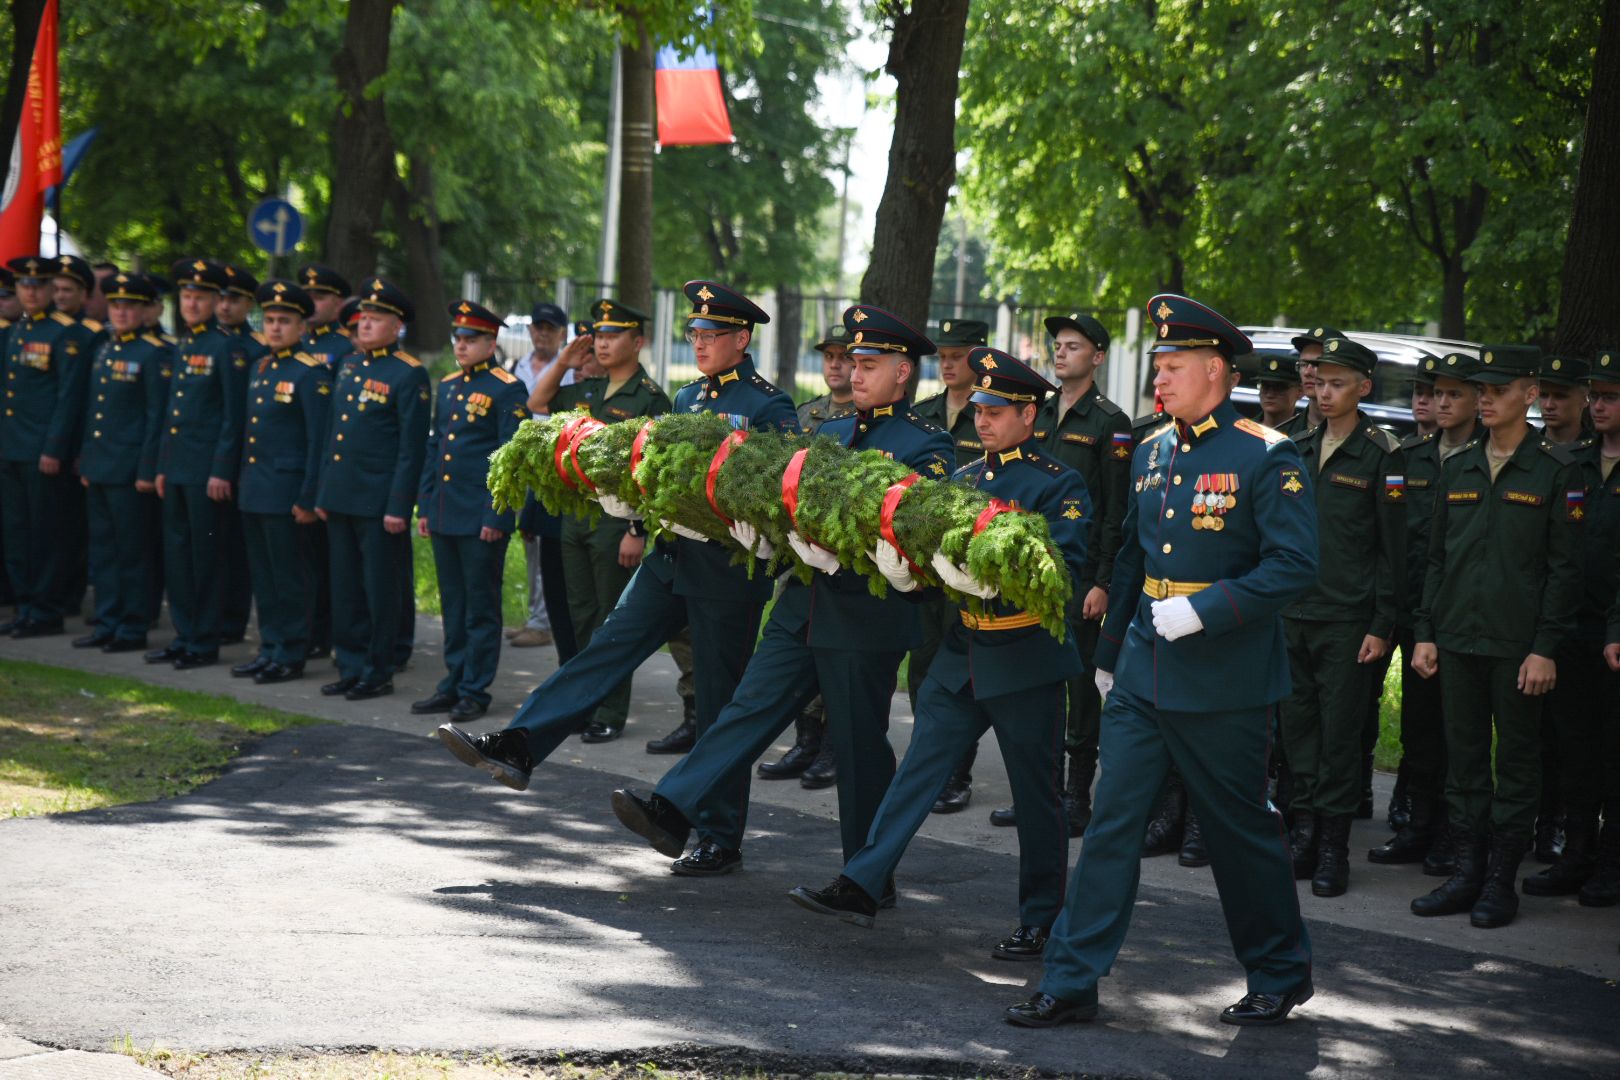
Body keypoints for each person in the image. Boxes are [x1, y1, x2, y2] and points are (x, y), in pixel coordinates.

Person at [1008, 294, 1317, 1029]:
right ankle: (1073, 976)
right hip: (1145, 668)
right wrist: (1111, 653)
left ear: (1215, 371)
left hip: (1224, 675)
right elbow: (1131, 560)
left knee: (1240, 827)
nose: (1160, 380)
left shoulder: (1266, 454)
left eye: (1173, 367)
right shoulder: (1149, 450)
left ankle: (1278, 972)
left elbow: (1295, 566)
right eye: (1158, 367)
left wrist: (1206, 609)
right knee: (1112, 821)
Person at [611, 304, 952, 878]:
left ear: (902, 372)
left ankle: (865, 877)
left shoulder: (928, 446)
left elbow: (913, 533)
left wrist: (844, 555)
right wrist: (773, 540)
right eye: (853, 362)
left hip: (866, 617)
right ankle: (672, 805)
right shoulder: (830, 432)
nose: (856, 373)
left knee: (859, 748)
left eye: (870, 363)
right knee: (745, 710)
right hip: (805, 603)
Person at [434, 281, 798, 794]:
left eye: (711, 333)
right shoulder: (687, 396)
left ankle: (715, 838)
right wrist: (635, 502)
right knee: (602, 650)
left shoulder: (769, 406)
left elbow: (776, 492)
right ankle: (520, 743)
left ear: (742, 339)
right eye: (694, 331)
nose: (698, 342)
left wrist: (761, 535)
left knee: (717, 706)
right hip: (670, 557)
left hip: (727, 571)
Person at [789, 345, 1090, 959]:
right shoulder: (961, 479)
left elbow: (1065, 571)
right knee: (918, 772)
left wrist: (998, 583)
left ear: (1029, 415)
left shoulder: (1059, 484)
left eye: (998, 410)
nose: (982, 420)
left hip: (1024, 655)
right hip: (962, 652)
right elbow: (931, 561)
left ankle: (1041, 917)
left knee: (1036, 797)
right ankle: (864, 884)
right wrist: (905, 573)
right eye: (979, 408)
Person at [1409, 344, 1583, 929]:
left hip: (1517, 647)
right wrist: (1427, 631)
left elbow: (1564, 571)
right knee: (1463, 763)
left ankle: (1500, 884)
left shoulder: (1557, 470)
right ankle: (1466, 874)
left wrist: (1544, 647)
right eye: (1479, 390)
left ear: (1528, 395)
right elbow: (1436, 559)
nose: (1484, 399)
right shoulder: (1457, 467)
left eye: (1496, 390)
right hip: (1456, 638)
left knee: (1516, 764)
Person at [989, 313, 1129, 841]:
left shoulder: (1109, 422)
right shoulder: (1035, 410)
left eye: (1073, 346)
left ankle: (1076, 795)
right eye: (1057, 345)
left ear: (1097, 357)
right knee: (1038, 681)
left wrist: (1103, 580)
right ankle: (1038, 793)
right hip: (1030, 569)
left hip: (1080, 571)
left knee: (1079, 684)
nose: (1061, 353)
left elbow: (1116, 508)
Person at [1279, 335, 1404, 898]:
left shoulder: (1382, 453)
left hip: (1348, 619)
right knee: (1298, 729)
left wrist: (1382, 624)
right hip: (1292, 612)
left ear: (1363, 388)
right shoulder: (1293, 444)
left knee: (1339, 736)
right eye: (1319, 381)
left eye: (1336, 383)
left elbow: (1392, 550)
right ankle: (1303, 833)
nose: (1323, 392)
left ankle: (1333, 847)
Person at [516, 298, 672, 741]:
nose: (602, 344)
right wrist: (565, 359)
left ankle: (608, 713)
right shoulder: (585, 391)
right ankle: (579, 705)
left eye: (612, 336)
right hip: (575, 517)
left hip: (615, 524)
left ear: (637, 342)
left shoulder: (650, 398)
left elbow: (651, 472)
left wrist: (637, 529)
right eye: (598, 337)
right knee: (580, 614)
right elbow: (538, 400)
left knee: (610, 621)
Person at [1371, 352, 1480, 870]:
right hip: (1412, 609)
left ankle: (1452, 835)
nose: (1439, 402)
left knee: (1457, 730)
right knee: (1418, 727)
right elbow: (1392, 539)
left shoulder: (1483, 456)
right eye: (1435, 393)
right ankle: (1419, 826)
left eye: (1453, 393)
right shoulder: (1410, 454)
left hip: (1460, 613)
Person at [1528, 350, 1620, 902]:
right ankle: (1577, 855)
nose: (1600, 406)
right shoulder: (1576, 463)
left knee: (1615, 753)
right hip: (1571, 629)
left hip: (1616, 637)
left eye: (1611, 397)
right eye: (1598, 397)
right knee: (1575, 750)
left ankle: (1612, 864)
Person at [412, 299, 530, 721]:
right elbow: (435, 448)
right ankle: (453, 680)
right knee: (454, 605)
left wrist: (497, 516)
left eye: (470, 338)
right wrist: (425, 505)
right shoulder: (448, 384)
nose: (460, 345)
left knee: (480, 607)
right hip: (446, 512)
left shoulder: (506, 388)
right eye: (456, 338)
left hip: (480, 516)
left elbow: (509, 459)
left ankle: (475, 690)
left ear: (491, 340)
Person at [314, 277, 430, 700]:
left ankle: (378, 669)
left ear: (396, 325)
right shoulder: (348, 365)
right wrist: (323, 492)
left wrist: (399, 506)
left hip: (379, 502)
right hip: (341, 496)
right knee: (345, 587)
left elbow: (410, 448)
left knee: (378, 589)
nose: (365, 323)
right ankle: (350, 664)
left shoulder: (408, 373)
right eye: (364, 316)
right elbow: (332, 436)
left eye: (376, 318)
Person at [145, 259, 252, 669]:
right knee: (177, 554)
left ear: (214, 301)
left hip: (207, 472)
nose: (191, 303)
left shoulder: (227, 347)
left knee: (204, 557)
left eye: (200, 296)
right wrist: (161, 465)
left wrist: (221, 469)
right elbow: (174, 413)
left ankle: (204, 640)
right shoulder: (185, 344)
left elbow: (232, 415)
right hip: (177, 469)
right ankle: (184, 634)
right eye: (186, 296)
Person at [763, 322, 858, 784]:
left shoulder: (866, 418)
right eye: (829, 356)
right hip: (800, 553)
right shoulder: (806, 414)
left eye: (845, 357)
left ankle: (833, 747)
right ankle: (805, 741)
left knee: (835, 652)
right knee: (797, 643)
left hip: (843, 558)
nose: (836, 365)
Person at [228, 280, 333, 685]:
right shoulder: (261, 367)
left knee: (290, 578)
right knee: (265, 577)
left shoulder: (311, 374)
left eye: (283, 321)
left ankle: (291, 652)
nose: (273, 328)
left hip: (287, 494)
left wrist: (308, 497)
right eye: (269, 320)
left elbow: (316, 442)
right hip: (257, 489)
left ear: (301, 327)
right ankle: (270, 647)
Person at [910, 317, 991, 813]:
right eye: (941, 355)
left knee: (963, 668)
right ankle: (928, 764)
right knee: (922, 663)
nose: (946, 363)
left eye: (956, 355)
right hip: (923, 564)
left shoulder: (992, 415)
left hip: (967, 563)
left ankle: (957, 769)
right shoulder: (924, 415)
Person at [73, 272, 170, 651]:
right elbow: (95, 412)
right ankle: (107, 620)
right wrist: (87, 460)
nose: (122, 312)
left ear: (144, 309)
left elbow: (154, 418)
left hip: (130, 471)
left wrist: (146, 469)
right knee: (104, 550)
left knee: (132, 552)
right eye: (116, 305)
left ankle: (132, 626)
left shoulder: (152, 353)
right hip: (100, 467)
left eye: (130, 306)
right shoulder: (105, 349)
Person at [0, 256, 96, 637]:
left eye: (39, 286)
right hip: (11, 446)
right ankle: (25, 605)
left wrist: (54, 448)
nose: (31, 292)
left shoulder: (65, 335)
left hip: (41, 451)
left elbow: (68, 398)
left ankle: (46, 609)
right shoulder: (14, 332)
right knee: (17, 533)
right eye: (24, 286)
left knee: (45, 534)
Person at [295, 262, 352, 661]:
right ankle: (310, 630)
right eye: (308, 296)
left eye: (320, 297)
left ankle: (328, 632)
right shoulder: (298, 345)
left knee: (328, 561)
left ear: (338, 302)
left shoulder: (345, 349)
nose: (312, 303)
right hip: (293, 462)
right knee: (301, 562)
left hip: (329, 462)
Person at [508, 301, 570, 649]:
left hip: (554, 468)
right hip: (525, 467)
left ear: (562, 334)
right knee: (530, 543)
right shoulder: (518, 366)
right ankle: (535, 616)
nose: (543, 334)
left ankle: (544, 622)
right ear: (530, 331)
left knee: (550, 545)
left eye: (550, 329)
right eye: (539, 327)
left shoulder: (570, 371)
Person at [1254, 354, 1305, 432]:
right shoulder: (1244, 430)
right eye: (1265, 386)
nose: (1270, 394)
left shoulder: (1306, 435)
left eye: (1280, 387)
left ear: (1300, 391)